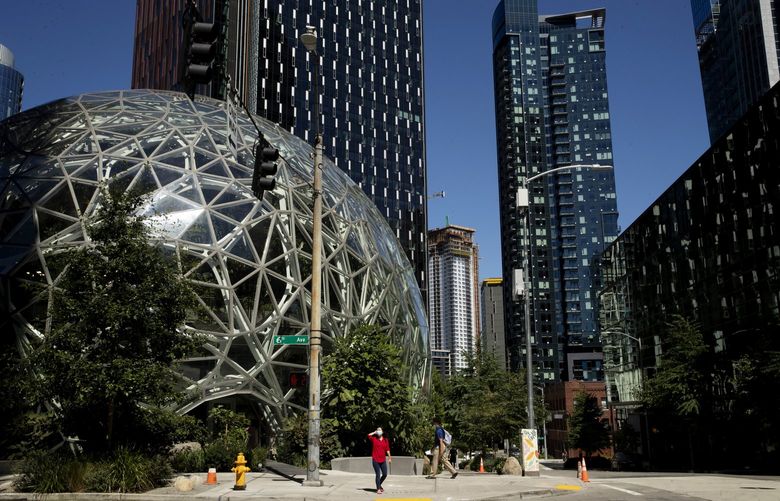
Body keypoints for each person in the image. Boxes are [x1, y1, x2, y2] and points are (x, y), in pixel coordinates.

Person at [368, 427, 391, 494]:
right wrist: (374, 432)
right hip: (375, 460)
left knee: (385, 474)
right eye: (378, 430)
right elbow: (368, 435)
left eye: (380, 430)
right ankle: (378, 488)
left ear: (382, 432)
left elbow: (388, 449)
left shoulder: (385, 440)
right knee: (378, 474)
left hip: (383, 460)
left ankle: (379, 484)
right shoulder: (374, 439)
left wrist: (389, 458)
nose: (379, 431)